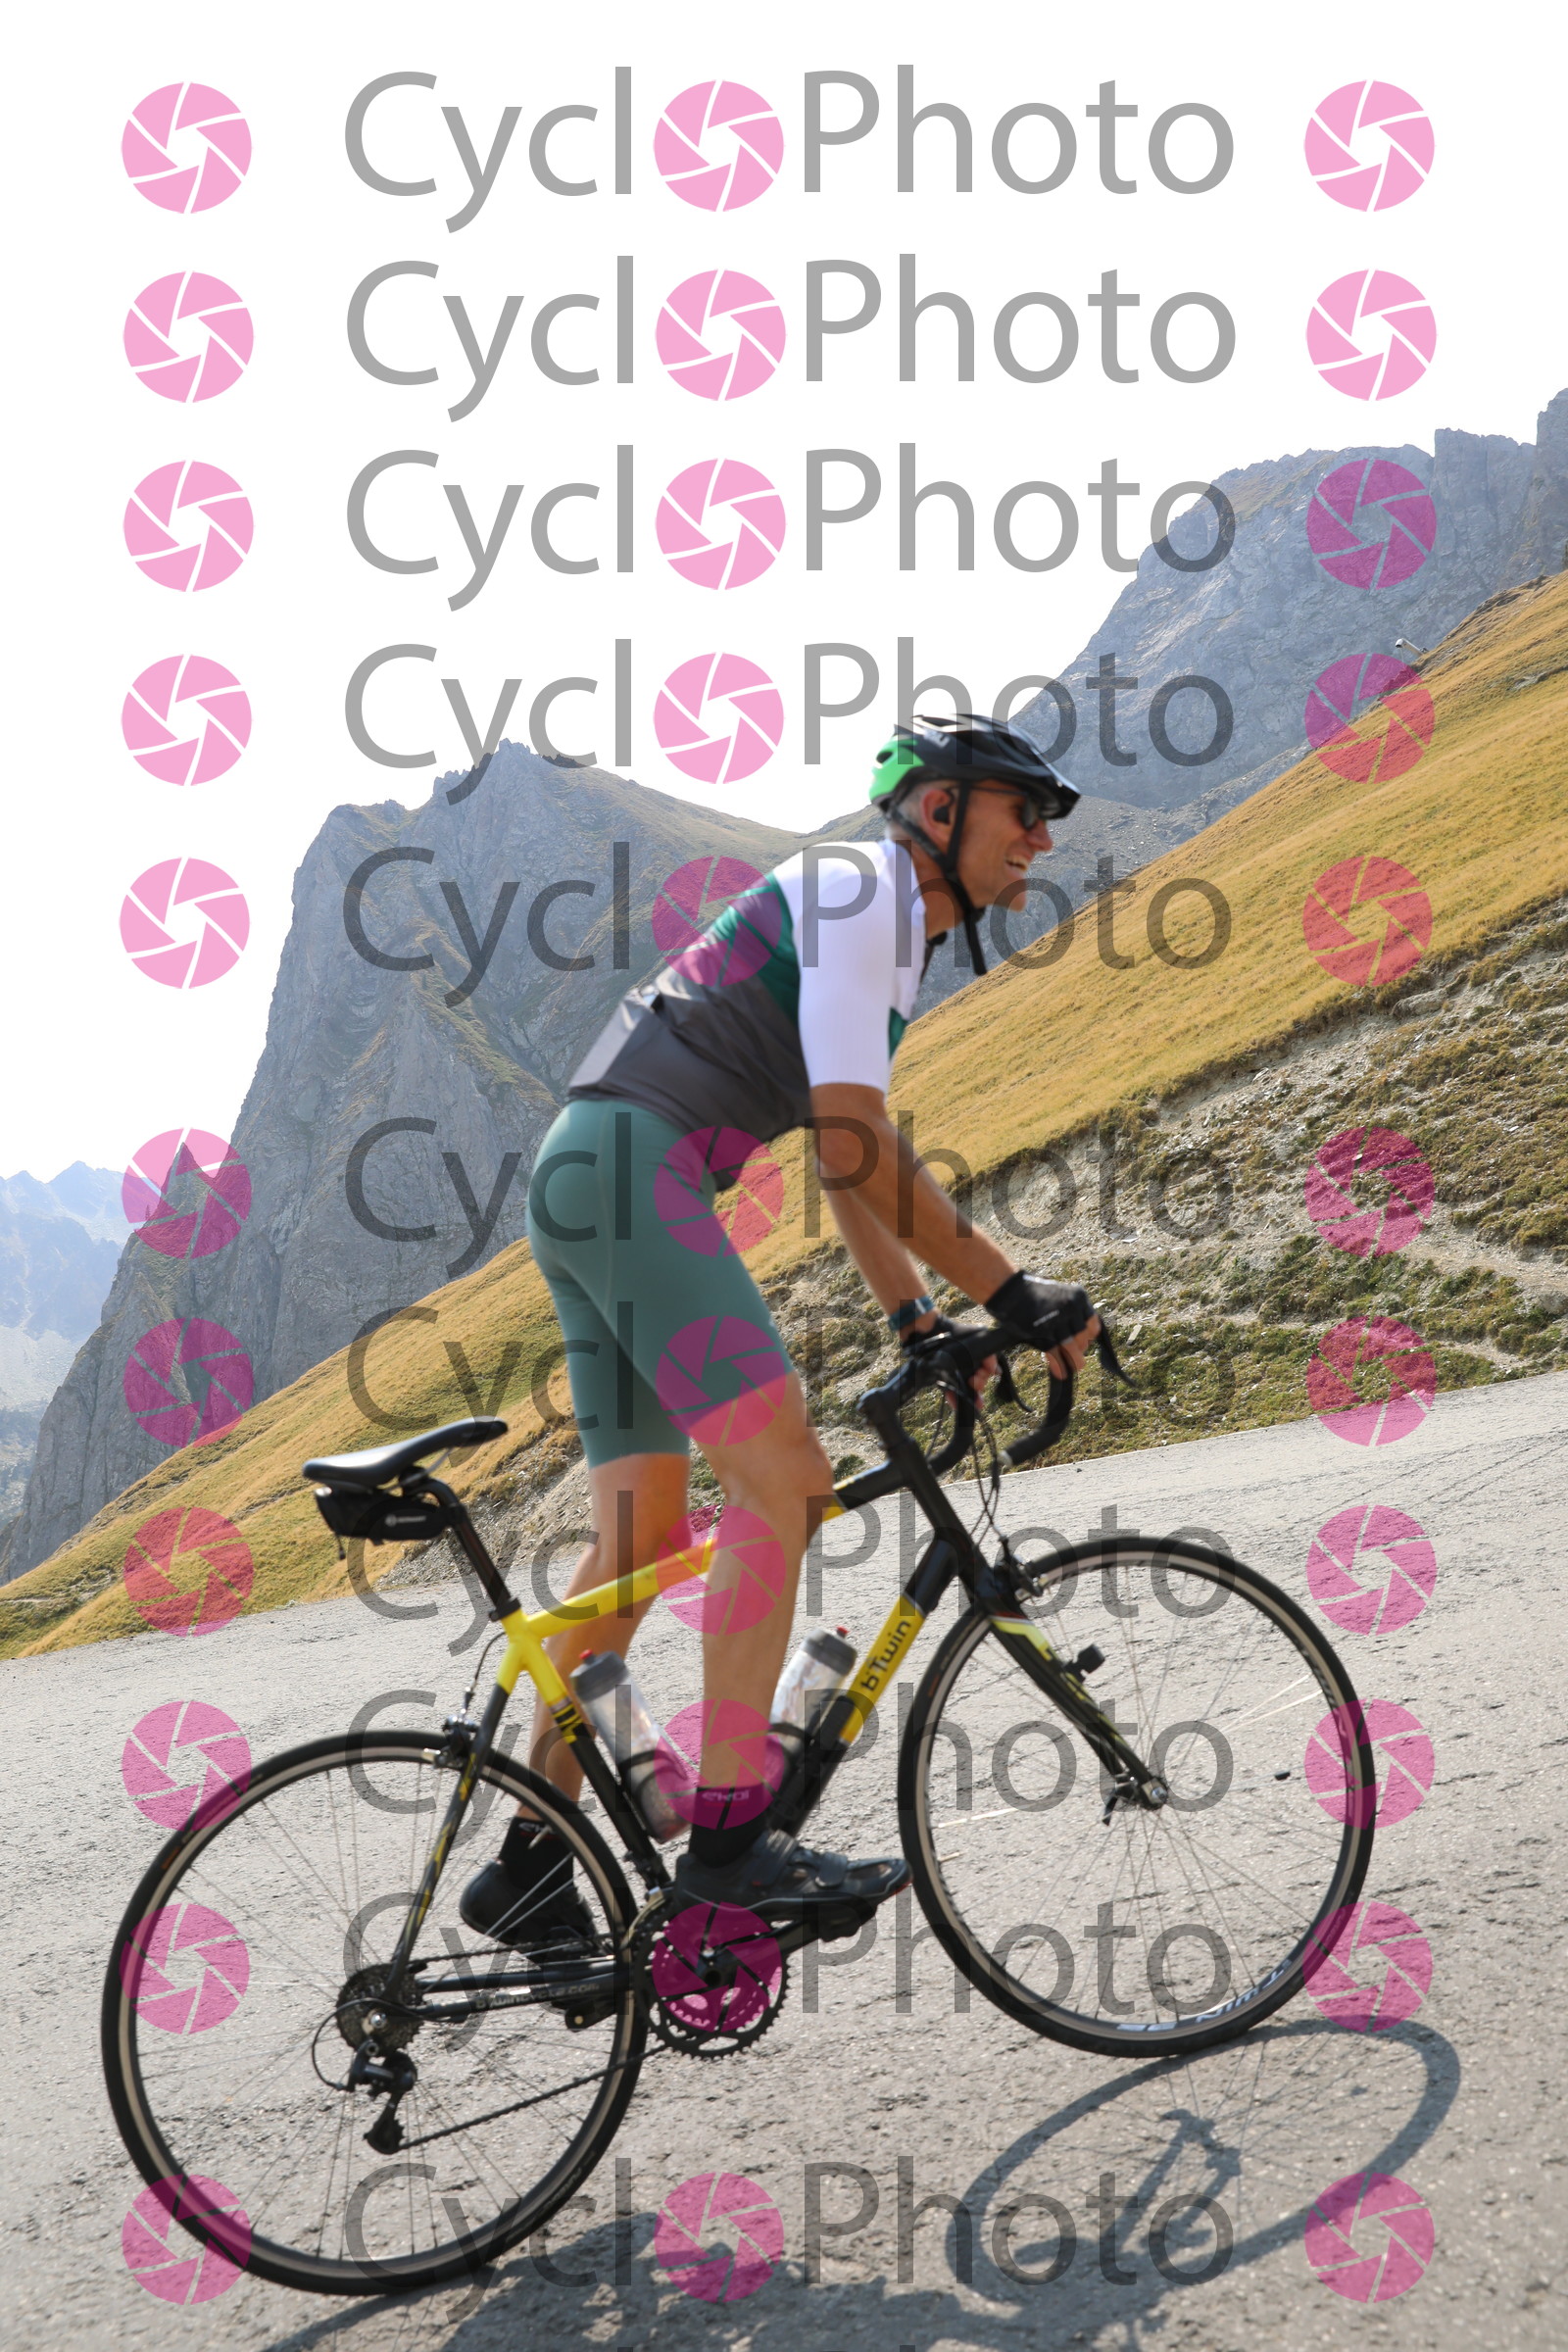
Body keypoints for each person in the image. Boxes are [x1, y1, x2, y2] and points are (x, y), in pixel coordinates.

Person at [461, 712, 1102, 1948]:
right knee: (788, 1487)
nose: (1039, 838)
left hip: (587, 1176)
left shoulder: (876, 919)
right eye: (1021, 811)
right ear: (938, 811)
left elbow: (838, 1148)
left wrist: (917, 1317)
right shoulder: (868, 894)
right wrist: (1011, 1292)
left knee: (643, 1535)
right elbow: (857, 1140)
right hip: (634, 1174)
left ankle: (530, 1865)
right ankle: (731, 1842)